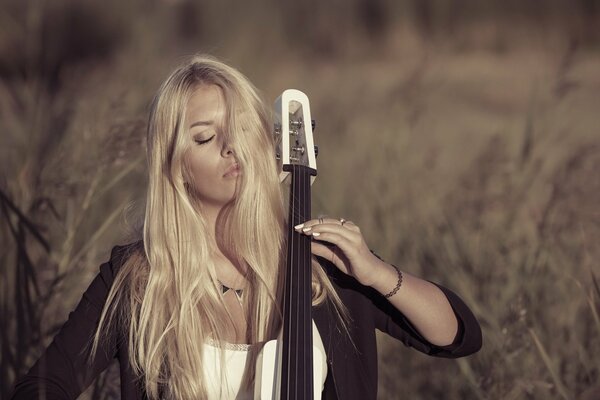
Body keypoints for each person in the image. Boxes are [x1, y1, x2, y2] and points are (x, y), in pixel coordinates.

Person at [10, 55, 482, 400]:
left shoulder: (317, 263)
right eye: (204, 137)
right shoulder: (138, 280)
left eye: (239, 127)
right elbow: (44, 384)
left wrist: (376, 274)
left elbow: (456, 335)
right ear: (176, 167)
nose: (230, 146)